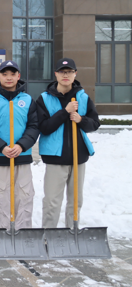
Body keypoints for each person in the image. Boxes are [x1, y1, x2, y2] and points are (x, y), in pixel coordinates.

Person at [36, 57, 100, 229]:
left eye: (69, 72)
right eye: (62, 72)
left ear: (75, 74)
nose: (66, 75)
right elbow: (44, 127)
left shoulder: (83, 98)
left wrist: (81, 119)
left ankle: (72, 234)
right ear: (56, 74)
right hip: (55, 158)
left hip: (78, 158)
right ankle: (48, 235)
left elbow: (95, 123)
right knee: (51, 201)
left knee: (75, 201)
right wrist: (65, 112)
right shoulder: (44, 99)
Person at [0, 60, 39, 229]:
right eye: (5, 74)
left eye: (13, 74)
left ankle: (23, 234)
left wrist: (21, 146)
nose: (9, 77)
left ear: (18, 76)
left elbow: (34, 126)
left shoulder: (28, 100)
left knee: (24, 197)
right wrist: (2, 147)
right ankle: (0, 235)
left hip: (22, 157)